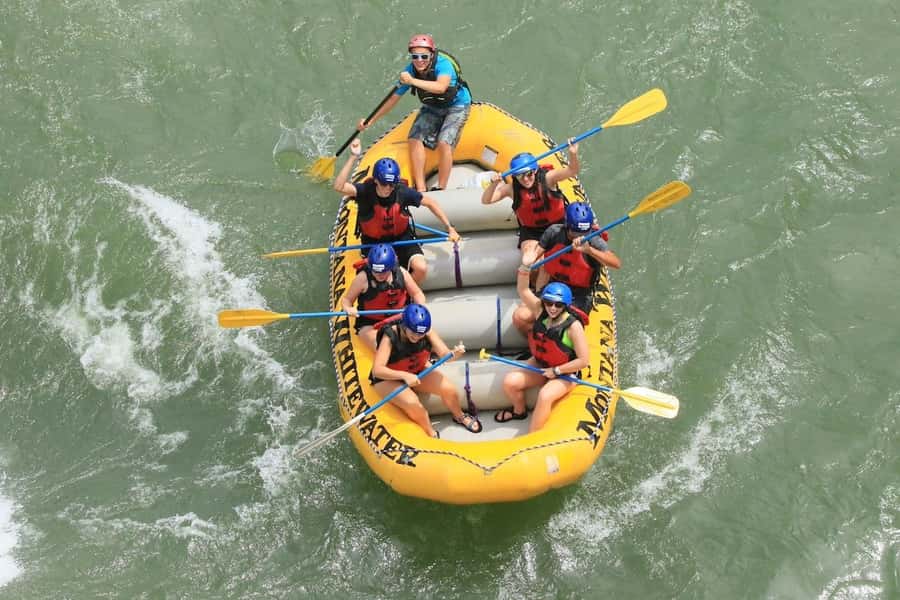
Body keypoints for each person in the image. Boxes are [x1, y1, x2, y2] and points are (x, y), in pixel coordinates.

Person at [333, 138, 460, 284]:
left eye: (392, 184)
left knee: (421, 268)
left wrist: (449, 227)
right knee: (379, 280)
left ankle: (404, 292)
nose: (388, 188)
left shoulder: (402, 192)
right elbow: (339, 187)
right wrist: (353, 156)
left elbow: (430, 203)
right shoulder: (365, 191)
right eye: (384, 184)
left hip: (402, 239)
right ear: (376, 181)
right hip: (373, 244)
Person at [355, 34, 472, 192]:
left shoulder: (443, 65)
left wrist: (411, 81)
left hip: (457, 105)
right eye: (415, 56)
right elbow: (393, 99)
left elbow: (441, 87)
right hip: (432, 106)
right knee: (414, 138)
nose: (419, 60)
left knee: (444, 142)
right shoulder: (410, 71)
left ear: (431, 55)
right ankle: (421, 188)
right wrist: (371, 120)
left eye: (424, 56)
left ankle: (441, 188)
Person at [369, 304, 481, 438]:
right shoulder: (390, 336)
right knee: (414, 404)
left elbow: (445, 355)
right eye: (413, 333)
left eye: (420, 334)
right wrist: (405, 376)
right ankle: (430, 432)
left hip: (417, 370)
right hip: (389, 378)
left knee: (449, 389)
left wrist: (454, 354)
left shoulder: (426, 331)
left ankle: (460, 416)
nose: (417, 337)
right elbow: (378, 370)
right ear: (404, 325)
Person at [496, 279, 589, 433]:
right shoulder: (540, 311)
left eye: (558, 305)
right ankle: (519, 412)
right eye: (548, 303)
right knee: (510, 382)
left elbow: (583, 361)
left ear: (565, 305)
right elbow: (523, 290)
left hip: (565, 374)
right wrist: (525, 267)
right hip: (541, 364)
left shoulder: (574, 327)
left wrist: (557, 371)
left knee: (545, 395)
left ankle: (534, 436)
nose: (552, 308)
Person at [515, 202, 620, 332]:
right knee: (520, 318)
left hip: (578, 296)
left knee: (561, 329)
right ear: (566, 226)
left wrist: (589, 251)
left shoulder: (593, 240)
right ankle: (541, 341)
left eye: (583, 233)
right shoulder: (554, 232)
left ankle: (557, 340)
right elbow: (536, 253)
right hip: (553, 288)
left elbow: (616, 263)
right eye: (575, 233)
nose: (579, 237)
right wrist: (528, 262)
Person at [481, 140, 580, 262]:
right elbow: (486, 200)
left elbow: (572, 171)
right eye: (519, 176)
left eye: (529, 174)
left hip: (559, 225)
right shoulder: (512, 189)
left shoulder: (549, 178)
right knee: (529, 261)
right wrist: (493, 184)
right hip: (532, 232)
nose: (525, 179)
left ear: (535, 170)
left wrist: (573, 154)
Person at [341, 243, 426, 352]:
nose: (379, 275)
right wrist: (348, 308)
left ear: (391, 267)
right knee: (383, 349)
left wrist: (419, 307)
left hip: (399, 318)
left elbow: (417, 293)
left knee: (419, 341)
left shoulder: (401, 273)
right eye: (375, 271)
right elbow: (346, 300)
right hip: (371, 323)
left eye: (383, 272)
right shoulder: (362, 279)